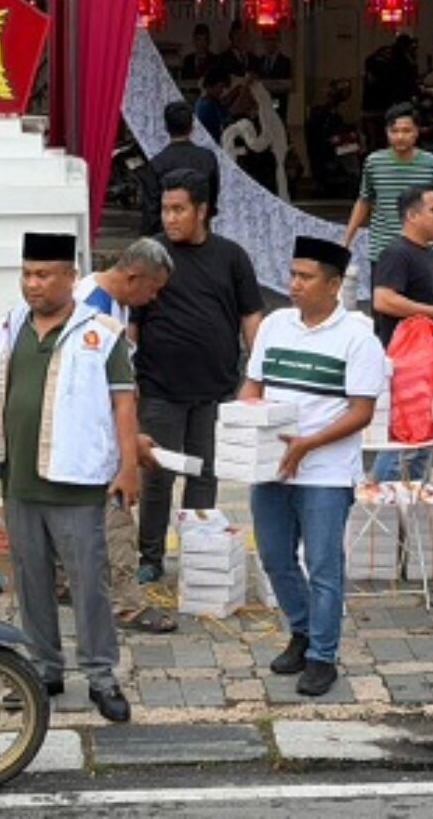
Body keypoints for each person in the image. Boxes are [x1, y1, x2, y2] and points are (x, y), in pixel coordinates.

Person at [0, 232, 138, 722]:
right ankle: (45, 668)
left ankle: (101, 675)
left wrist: (128, 467)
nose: (33, 284)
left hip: (77, 481)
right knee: (31, 579)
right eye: (27, 274)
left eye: (44, 274)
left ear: (70, 277)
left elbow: (123, 400)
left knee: (89, 581)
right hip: (20, 478)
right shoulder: (10, 325)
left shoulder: (101, 331)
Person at [242, 237, 386, 696]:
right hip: (271, 467)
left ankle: (324, 656)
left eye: (305, 277)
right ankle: (302, 632)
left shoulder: (358, 339)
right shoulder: (275, 325)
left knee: (324, 565)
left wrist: (308, 444)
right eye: (292, 274)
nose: (294, 285)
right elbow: (254, 385)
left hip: (324, 471)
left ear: (334, 284)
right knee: (274, 557)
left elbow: (361, 411)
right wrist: (242, 415)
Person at [132, 169, 264, 583]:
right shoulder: (149, 254)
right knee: (157, 475)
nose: (169, 218)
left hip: (215, 390)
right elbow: (131, 320)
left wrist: (255, 378)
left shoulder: (231, 256)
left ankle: (198, 551)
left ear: (202, 211)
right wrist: (126, 378)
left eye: (178, 209)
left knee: (204, 475)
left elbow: (251, 317)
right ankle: (150, 557)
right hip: (159, 388)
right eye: (165, 209)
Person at [74, 238, 177, 634]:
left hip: (103, 430)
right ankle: (126, 604)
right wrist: (128, 446)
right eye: (153, 288)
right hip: (95, 434)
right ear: (133, 276)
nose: (153, 298)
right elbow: (95, 391)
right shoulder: (91, 308)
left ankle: (70, 582)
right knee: (117, 514)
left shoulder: (113, 304)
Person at [343, 102, 433, 269]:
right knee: (384, 295)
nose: (400, 136)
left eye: (406, 131)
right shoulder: (374, 162)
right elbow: (364, 201)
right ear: (386, 132)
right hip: (383, 250)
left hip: (423, 249)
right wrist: (346, 240)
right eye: (394, 131)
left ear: (417, 132)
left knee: (423, 296)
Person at [372, 186, 433, 350]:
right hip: (405, 356)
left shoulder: (428, 252)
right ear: (412, 216)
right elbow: (383, 300)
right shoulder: (396, 253)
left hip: (427, 351)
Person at [149, 100, 221, 219]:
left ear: (166, 128)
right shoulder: (208, 158)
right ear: (192, 127)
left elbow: (153, 208)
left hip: (169, 230)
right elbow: (212, 198)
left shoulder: (157, 163)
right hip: (199, 227)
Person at [257, 30, 293, 122]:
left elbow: (287, 84)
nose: (270, 43)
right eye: (267, 40)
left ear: (278, 41)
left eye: (273, 39)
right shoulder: (259, 61)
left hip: (277, 102)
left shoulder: (285, 62)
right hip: (261, 104)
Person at [194, 65, 232, 144]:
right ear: (210, 85)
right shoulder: (207, 105)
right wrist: (246, 85)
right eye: (220, 87)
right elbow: (231, 112)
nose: (222, 91)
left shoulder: (209, 101)